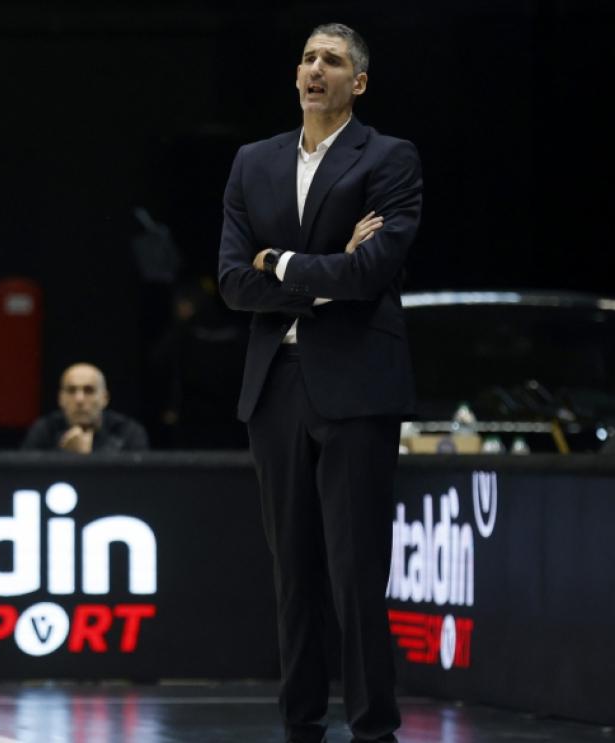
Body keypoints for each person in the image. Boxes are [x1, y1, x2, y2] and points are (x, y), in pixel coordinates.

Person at [216, 23, 422, 743]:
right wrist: (323, 270)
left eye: (331, 60)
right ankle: (300, 722)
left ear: (356, 82)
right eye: (307, 57)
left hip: (358, 385)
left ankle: (373, 727)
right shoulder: (253, 161)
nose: (314, 69)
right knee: (292, 573)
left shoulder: (389, 157)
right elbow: (232, 282)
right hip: (275, 383)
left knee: (356, 571)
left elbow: (372, 272)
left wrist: (279, 263)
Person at [21, 363, 148, 453]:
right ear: (61, 398)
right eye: (71, 390)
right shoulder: (44, 431)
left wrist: (86, 457)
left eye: (89, 390)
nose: (79, 399)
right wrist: (64, 455)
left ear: (105, 398)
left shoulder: (128, 433)